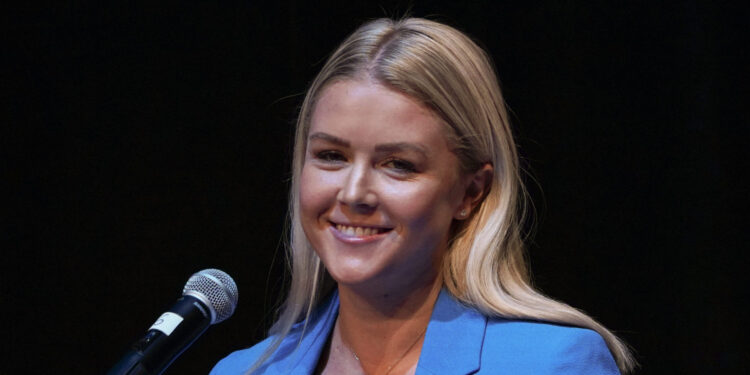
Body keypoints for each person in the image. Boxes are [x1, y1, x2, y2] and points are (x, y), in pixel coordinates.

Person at [212, 17, 636, 375]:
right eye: (331, 156)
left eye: (398, 164)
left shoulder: (552, 364)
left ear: (471, 191)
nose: (354, 192)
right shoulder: (242, 371)